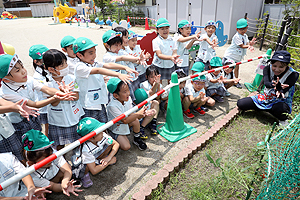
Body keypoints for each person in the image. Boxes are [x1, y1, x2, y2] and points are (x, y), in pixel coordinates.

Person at [0, 54, 75, 161]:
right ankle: (31, 165)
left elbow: (46, 89)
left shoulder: (27, 79)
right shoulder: (6, 93)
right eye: (17, 71)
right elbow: (34, 104)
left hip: (32, 116)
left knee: (37, 140)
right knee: (27, 147)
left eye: (22, 66)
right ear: (6, 80)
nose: (23, 71)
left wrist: (61, 92)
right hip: (19, 124)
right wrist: (55, 97)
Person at [73, 37, 136, 123]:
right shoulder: (80, 67)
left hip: (100, 102)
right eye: (91, 53)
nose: (94, 55)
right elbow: (98, 70)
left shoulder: (93, 63)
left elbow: (108, 65)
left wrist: (124, 67)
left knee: (104, 124)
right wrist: (118, 74)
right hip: (89, 105)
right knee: (92, 128)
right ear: (80, 55)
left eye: (95, 51)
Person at [237, 50, 299, 126]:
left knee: (280, 109)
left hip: (281, 101)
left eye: (281, 67)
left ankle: (282, 119)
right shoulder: (267, 69)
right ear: (271, 63)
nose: (277, 69)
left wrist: (281, 89)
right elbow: (266, 83)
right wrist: (275, 85)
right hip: (266, 98)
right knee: (241, 103)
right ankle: (263, 108)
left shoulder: (293, 74)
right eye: (274, 66)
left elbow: (284, 89)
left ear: (287, 65)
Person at [43, 49, 85, 150]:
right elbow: (53, 103)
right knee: (58, 145)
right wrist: (61, 95)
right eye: (62, 65)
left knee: (79, 141)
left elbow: (76, 96)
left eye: (66, 63)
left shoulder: (71, 78)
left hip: (74, 115)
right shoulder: (47, 85)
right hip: (58, 120)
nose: (66, 66)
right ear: (51, 69)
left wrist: (63, 95)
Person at [22, 129, 82, 196]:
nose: (50, 160)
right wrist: (62, 188)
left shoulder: (51, 152)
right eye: (45, 160)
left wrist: (65, 182)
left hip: (54, 173)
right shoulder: (32, 176)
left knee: (68, 167)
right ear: (31, 164)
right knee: (42, 192)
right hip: (46, 182)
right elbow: (53, 186)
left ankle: (62, 181)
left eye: (50, 157)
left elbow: (67, 170)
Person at [73, 117, 119, 188]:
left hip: (94, 154)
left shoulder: (102, 135)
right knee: (85, 166)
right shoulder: (85, 149)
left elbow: (116, 144)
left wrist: (108, 158)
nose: (102, 132)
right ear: (91, 138)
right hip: (84, 161)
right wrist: (109, 162)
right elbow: (94, 171)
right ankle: (85, 175)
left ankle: (101, 161)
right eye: (99, 132)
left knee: (109, 144)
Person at [106, 78, 148, 151]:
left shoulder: (128, 99)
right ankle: (113, 135)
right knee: (126, 147)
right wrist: (138, 114)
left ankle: (137, 138)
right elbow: (124, 120)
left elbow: (130, 113)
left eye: (128, 90)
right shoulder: (112, 106)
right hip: (116, 127)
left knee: (135, 120)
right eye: (124, 92)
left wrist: (142, 113)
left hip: (125, 122)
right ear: (116, 95)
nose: (128, 93)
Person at [103, 29, 143, 100]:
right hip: (114, 85)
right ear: (107, 45)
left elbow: (128, 57)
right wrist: (136, 59)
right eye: (116, 45)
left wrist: (138, 59)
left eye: (120, 45)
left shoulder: (120, 51)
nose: (118, 47)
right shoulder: (107, 56)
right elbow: (121, 58)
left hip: (124, 82)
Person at [223, 18, 256, 88]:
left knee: (237, 68)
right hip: (230, 55)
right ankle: (223, 82)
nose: (243, 31)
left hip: (237, 56)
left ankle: (236, 81)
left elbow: (247, 44)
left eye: (244, 29)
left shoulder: (245, 36)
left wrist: (251, 44)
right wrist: (249, 46)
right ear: (237, 29)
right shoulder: (236, 36)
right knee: (226, 69)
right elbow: (242, 45)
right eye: (241, 29)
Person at [29, 44, 50, 137]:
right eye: (44, 60)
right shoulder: (37, 77)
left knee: (49, 127)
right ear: (37, 62)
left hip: (49, 104)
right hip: (42, 106)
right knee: (43, 127)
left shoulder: (48, 70)